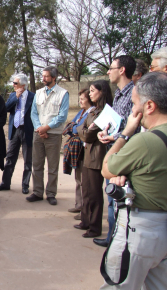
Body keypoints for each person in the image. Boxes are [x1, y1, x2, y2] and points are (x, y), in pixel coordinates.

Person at [99, 72, 167, 289]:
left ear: (150, 106)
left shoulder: (146, 141)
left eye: (135, 104)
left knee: (118, 284)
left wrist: (126, 133)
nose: (134, 110)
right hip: (163, 231)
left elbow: (107, 168)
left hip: (140, 230)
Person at [95, 55, 138, 248]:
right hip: (112, 150)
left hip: (125, 154)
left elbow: (135, 127)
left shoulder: (135, 94)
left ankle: (121, 242)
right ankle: (112, 239)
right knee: (112, 198)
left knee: (123, 200)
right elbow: (116, 123)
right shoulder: (119, 94)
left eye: (111, 68)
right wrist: (105, 133)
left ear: (122, 70)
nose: (108, 72)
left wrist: (115, 136)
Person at [75, 80, 113, 238]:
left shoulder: (105, 112)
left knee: (95, 193)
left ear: (101, 92)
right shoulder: (94, 111)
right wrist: (82, 128)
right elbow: (83, 127)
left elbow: (88, 135)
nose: (89, 94)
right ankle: (85, 220)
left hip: (97, 156)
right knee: (86, 190)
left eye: (92, 91)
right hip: (87, 154)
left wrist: (80, 129)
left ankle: (95, 227)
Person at [27, 66, 69, 205]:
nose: (43, 78)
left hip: (54, 135)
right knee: (37, 164)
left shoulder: (63, 93)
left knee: (52, 167)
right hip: (38, 134)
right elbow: (33, 113)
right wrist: (40, 128)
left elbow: (62, 116)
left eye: (46, 76)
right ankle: (37, 192)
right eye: (43, 76)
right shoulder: (38, 93)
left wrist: (46, 128)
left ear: (53, 77)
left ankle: (51, 193)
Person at [0, 74, 34, 195]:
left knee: (27, 159)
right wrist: (15, 98)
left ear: (23, 85)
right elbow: (5, 108)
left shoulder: (33, 97)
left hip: (27, 130)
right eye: (13, 83)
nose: (13, 85)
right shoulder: (12, 95)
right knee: (10, 157)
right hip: (14, 130)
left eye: (15, 83)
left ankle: (25, 185)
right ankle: (5, 183)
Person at [63, 88, 94, 218]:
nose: (80, 101)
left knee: (84, 181)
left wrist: (75, 128)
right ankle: (79, 204)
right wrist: (75, 128)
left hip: (84, 149)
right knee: (78, 178)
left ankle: (86, 210)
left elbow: (79, 128)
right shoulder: (82, 112)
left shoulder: (92, 113)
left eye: (82, 99)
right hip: (78, 149)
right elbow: (71, 126)